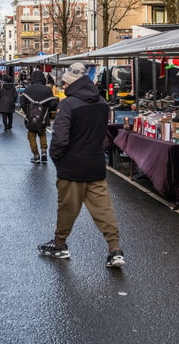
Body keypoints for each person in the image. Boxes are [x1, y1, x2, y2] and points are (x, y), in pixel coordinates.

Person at [37, 62, 125, 269]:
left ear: (71, 84)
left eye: (65, 83)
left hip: (72, 166)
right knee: (103, 209)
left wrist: (57, 159)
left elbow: (60, 139)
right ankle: (115, 249)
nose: (64, 87)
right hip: (95, 164)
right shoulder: (102, 103)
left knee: (67, 208)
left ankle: (60, 244)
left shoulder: (68, 104)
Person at [20, 70, 58, 164]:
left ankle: (36, 155)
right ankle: (44, 151)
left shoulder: (28, 89)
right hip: (43, 117)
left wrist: (27, 112)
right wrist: (46, 110)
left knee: (31, 135)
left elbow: (22, 102)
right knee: (42, 133)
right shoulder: (47, 90)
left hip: (31, 117)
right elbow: (53, 104)